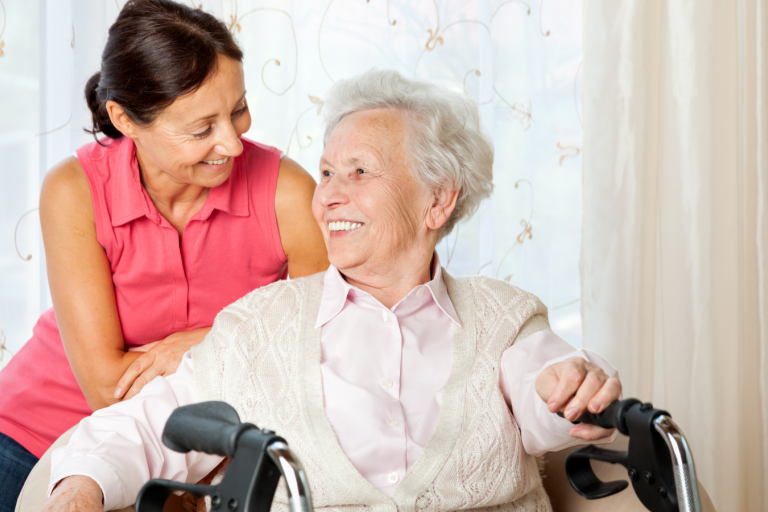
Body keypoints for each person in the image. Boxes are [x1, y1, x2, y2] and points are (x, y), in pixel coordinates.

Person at [42, 70, 621, 512]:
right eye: (326, 173)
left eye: (360, 172)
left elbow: (549, 390)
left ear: (438, 200)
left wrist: (574, 389)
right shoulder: (261, 326)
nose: (328, 197)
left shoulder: (503, 317)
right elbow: (149, 423)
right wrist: (81, 487)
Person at [0, 1, 329, 509]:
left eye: (238, 109)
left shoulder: (287, 193)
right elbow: (109, 389)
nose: (233, 143)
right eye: (202, 130)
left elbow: (327, 342)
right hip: (33, 435)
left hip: (192, 449)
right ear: (124, 119)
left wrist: (203, 340)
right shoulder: (74, 190)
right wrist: (231, 348)